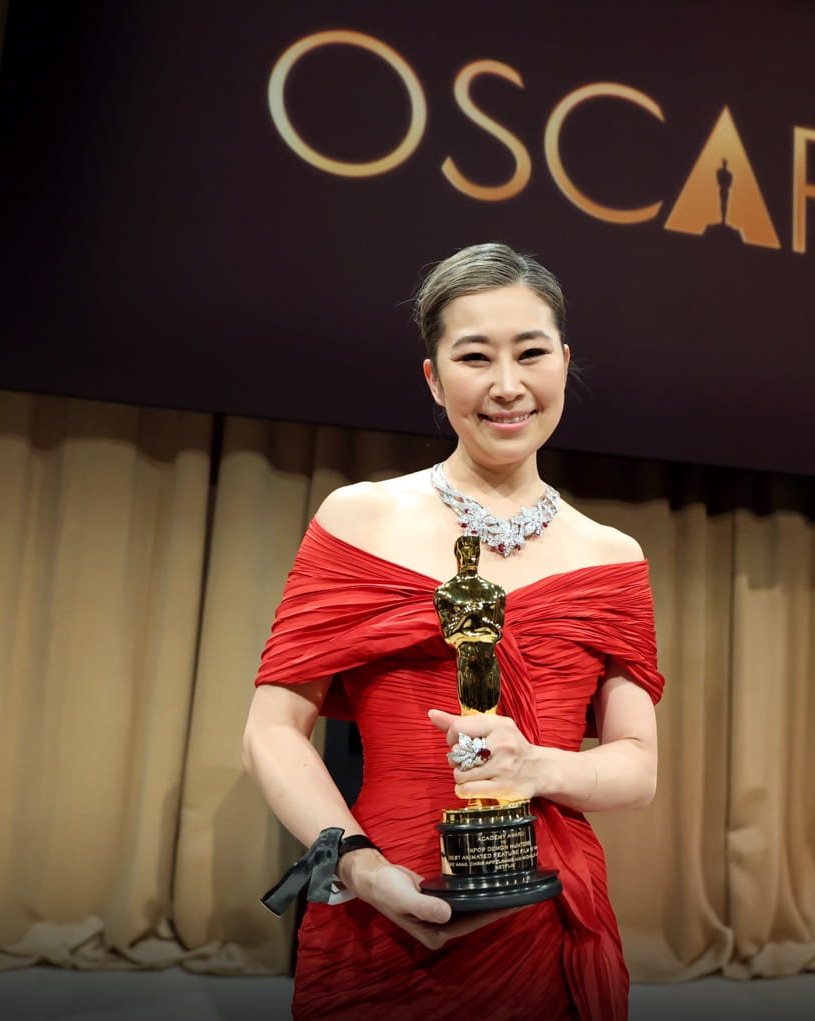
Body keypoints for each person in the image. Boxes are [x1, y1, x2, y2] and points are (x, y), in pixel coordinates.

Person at [243, 242, 665, 1020]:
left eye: (531, 353)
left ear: (564, 362)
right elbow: (272, 730)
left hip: (549, 918)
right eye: (475, 357)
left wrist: (535, 765)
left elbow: (636, 767)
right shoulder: (360, 519)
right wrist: (358, 866)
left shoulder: (614, 557)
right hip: (384, 903)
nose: (507, 384)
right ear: (435, 380)